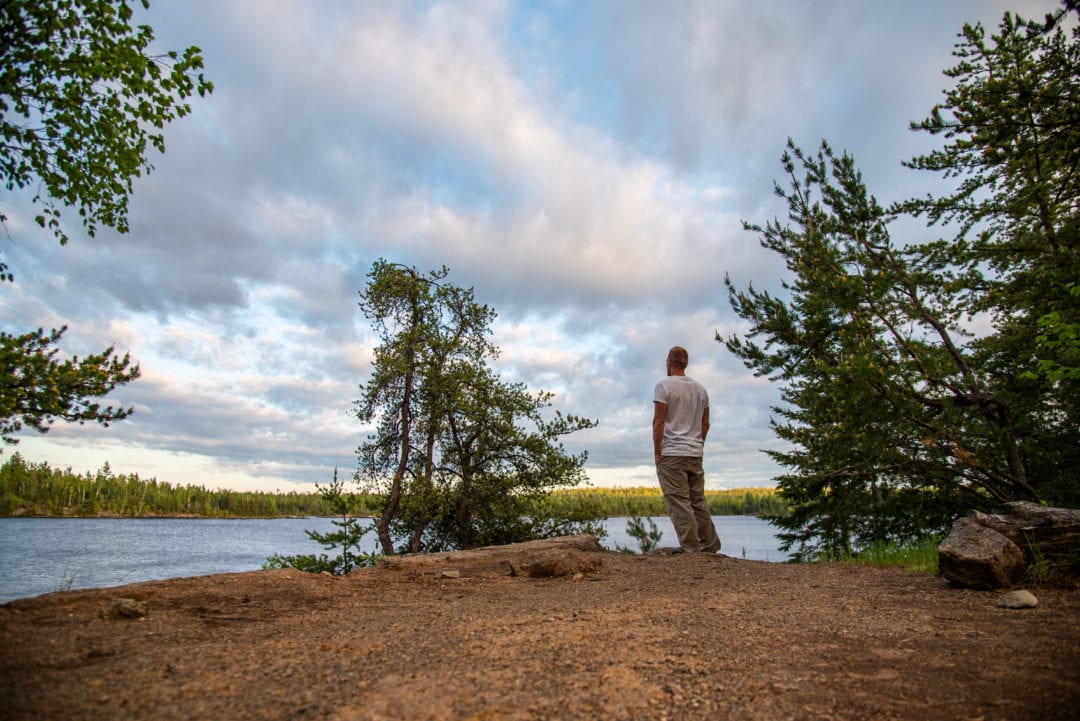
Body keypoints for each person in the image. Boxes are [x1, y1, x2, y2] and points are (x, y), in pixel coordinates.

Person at [652, 346, 721, 553]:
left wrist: (657, 451)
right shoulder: (701, 390)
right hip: (694, 452)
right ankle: (709, 545)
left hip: (672, 452)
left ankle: (691, 548)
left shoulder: (664, 386)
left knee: (678, 500)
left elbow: (659, 422)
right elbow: (705, 423)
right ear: (686, 363)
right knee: (697, 499)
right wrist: (698, 444)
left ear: (669, 362)